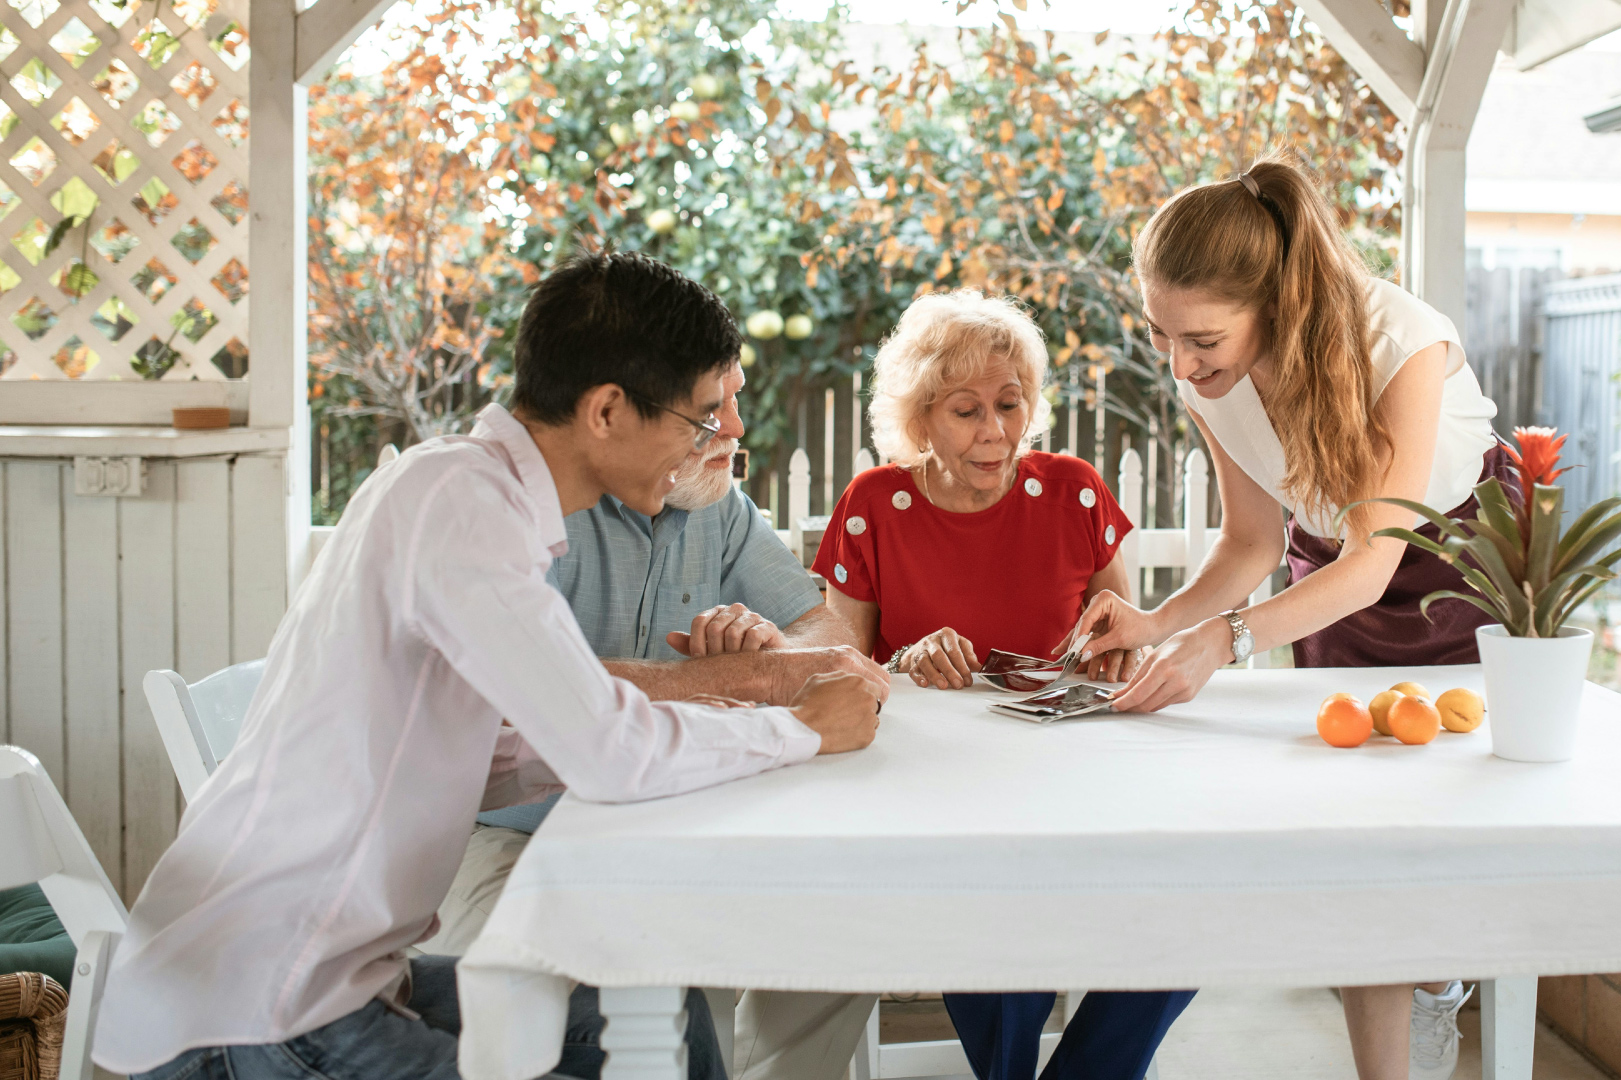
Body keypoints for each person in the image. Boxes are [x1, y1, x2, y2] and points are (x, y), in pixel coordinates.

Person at [92, 252, 882, 1080]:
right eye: (704, 419)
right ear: (608, 410)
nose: (716, 442)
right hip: (261, 1008)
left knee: (666, 1020)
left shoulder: (469, 495)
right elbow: (608, 754)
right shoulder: (462, 509)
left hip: (336, 980)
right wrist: (794, 729)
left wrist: (721, 724)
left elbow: (499, 748)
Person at [1067, 152, 1507, 1080]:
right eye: (1162, 333)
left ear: (1278, 304)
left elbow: (1377, 559)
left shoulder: (1402, 343)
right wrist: (1155, 624)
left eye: (1203, 340)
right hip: (1332, 577)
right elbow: (1253, 546)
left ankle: (1435, 981)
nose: (1181, 364)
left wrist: (1223, 642)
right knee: (1361, 837)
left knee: (1444, 823)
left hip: (1459, 572)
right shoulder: (1207, 377)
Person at [423, 356, 891, 1080]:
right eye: (710, 411)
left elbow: (827, 636)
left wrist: (769, 642)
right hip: (516, 830)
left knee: (836, 936)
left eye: (736, 401)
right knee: (537, 1004)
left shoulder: (723, 511)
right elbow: (533, 694)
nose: (735, 428)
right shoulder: (526, 513)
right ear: (620, 417)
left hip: (684, 822)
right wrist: (744, 676)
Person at [812, 290, 1188, 1080]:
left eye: (1010, 404)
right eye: (966, 411)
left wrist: (1114, 644)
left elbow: (1119, 631)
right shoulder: (872, 506)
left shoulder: (1076, 489)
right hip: (938, 787)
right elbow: (836, 672)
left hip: (1077, 777)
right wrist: (906, 657)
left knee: (1187, 917)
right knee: (989, 907)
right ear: (919, 420)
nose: (996, 432)